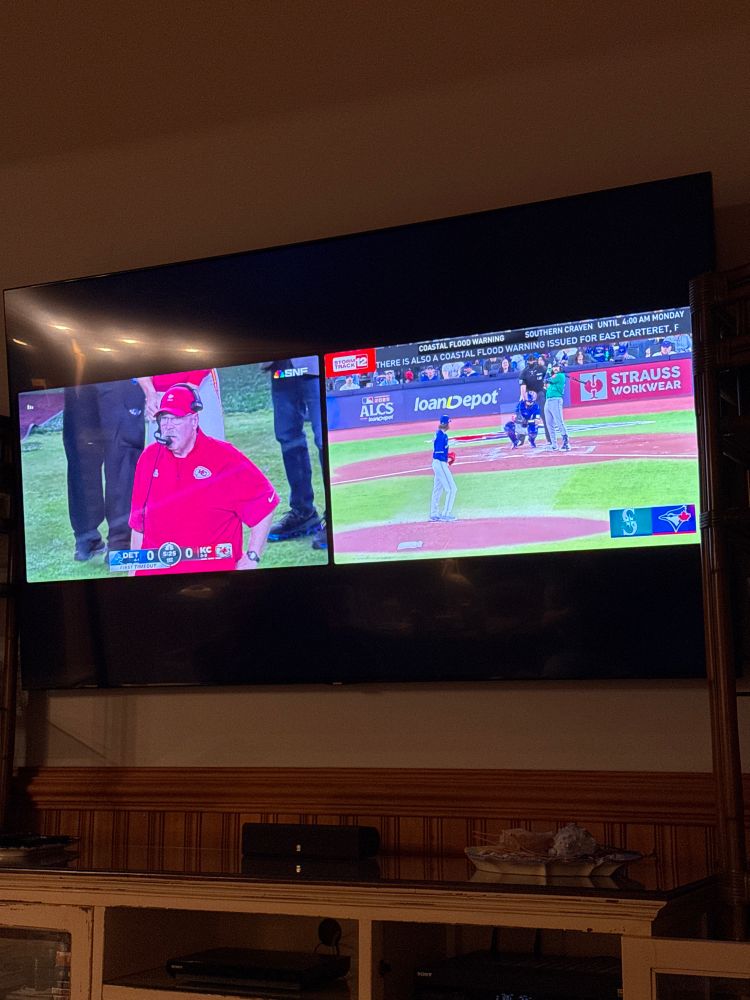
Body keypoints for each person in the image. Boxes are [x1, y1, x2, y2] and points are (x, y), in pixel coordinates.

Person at [128, 384, 278, 574]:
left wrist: (252, 557)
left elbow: (265, 504)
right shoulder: (149, 458)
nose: (168, 426)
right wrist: (133, 571)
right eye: (164, 418)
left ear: (194, 420)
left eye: (176, 418)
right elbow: (138, 524)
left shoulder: (224, 457)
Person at [63, 379, 146, 561]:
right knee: (123, 456)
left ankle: (86, 539)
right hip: (118, 372)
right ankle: (120, 543)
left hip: (78, 373)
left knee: (81, 453)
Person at [267, 356, 327, 549]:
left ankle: (335, 515)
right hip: (280, 364)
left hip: (315, 363)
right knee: (287, 437)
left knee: (325, 437)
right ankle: (303, 513)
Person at [137, 369, 223, 440]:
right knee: (161, 451)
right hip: (158, 393)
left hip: (199, 384)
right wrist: (150, 393)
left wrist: (192, 384)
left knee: (210, 449)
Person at [429, 414, 458, 522]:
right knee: (452, 489)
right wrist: (447, 457)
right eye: (448, 423)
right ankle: (446, 514)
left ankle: (434, 514)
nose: (449, 425)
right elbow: (438, 453)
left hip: (437, 463)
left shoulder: (439, 434)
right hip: (440, 463)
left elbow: (438, 451)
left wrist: (448, 456)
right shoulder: (442, 436)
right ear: (445, 424)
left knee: (437, 489)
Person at [518, 355, 551, 444]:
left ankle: (550, 438)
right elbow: (523, 387)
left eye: (533, 360)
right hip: (529, 395)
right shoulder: (524, 372)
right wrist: (525, 400)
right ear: (527, 361)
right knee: (523, 417)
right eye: (530, 360)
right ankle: (520, 439)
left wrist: (547, 390)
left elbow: (548, 379)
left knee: (545, 416)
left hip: (540, 393)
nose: (532, 362)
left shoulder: (542, 368)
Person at [544, 362, 570, 451]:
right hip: (548, 400)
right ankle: (554, 444)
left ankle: (566, 443)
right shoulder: (553, 377)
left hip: (556, 400)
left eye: (557, 367)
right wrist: (547, 374)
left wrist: (548, 371)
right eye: (554, 367)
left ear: (560, 368)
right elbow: (545, 383)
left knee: (559, 421)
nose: (555, 368)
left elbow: (547, 380)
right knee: (549, 423)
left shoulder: (560, 375)